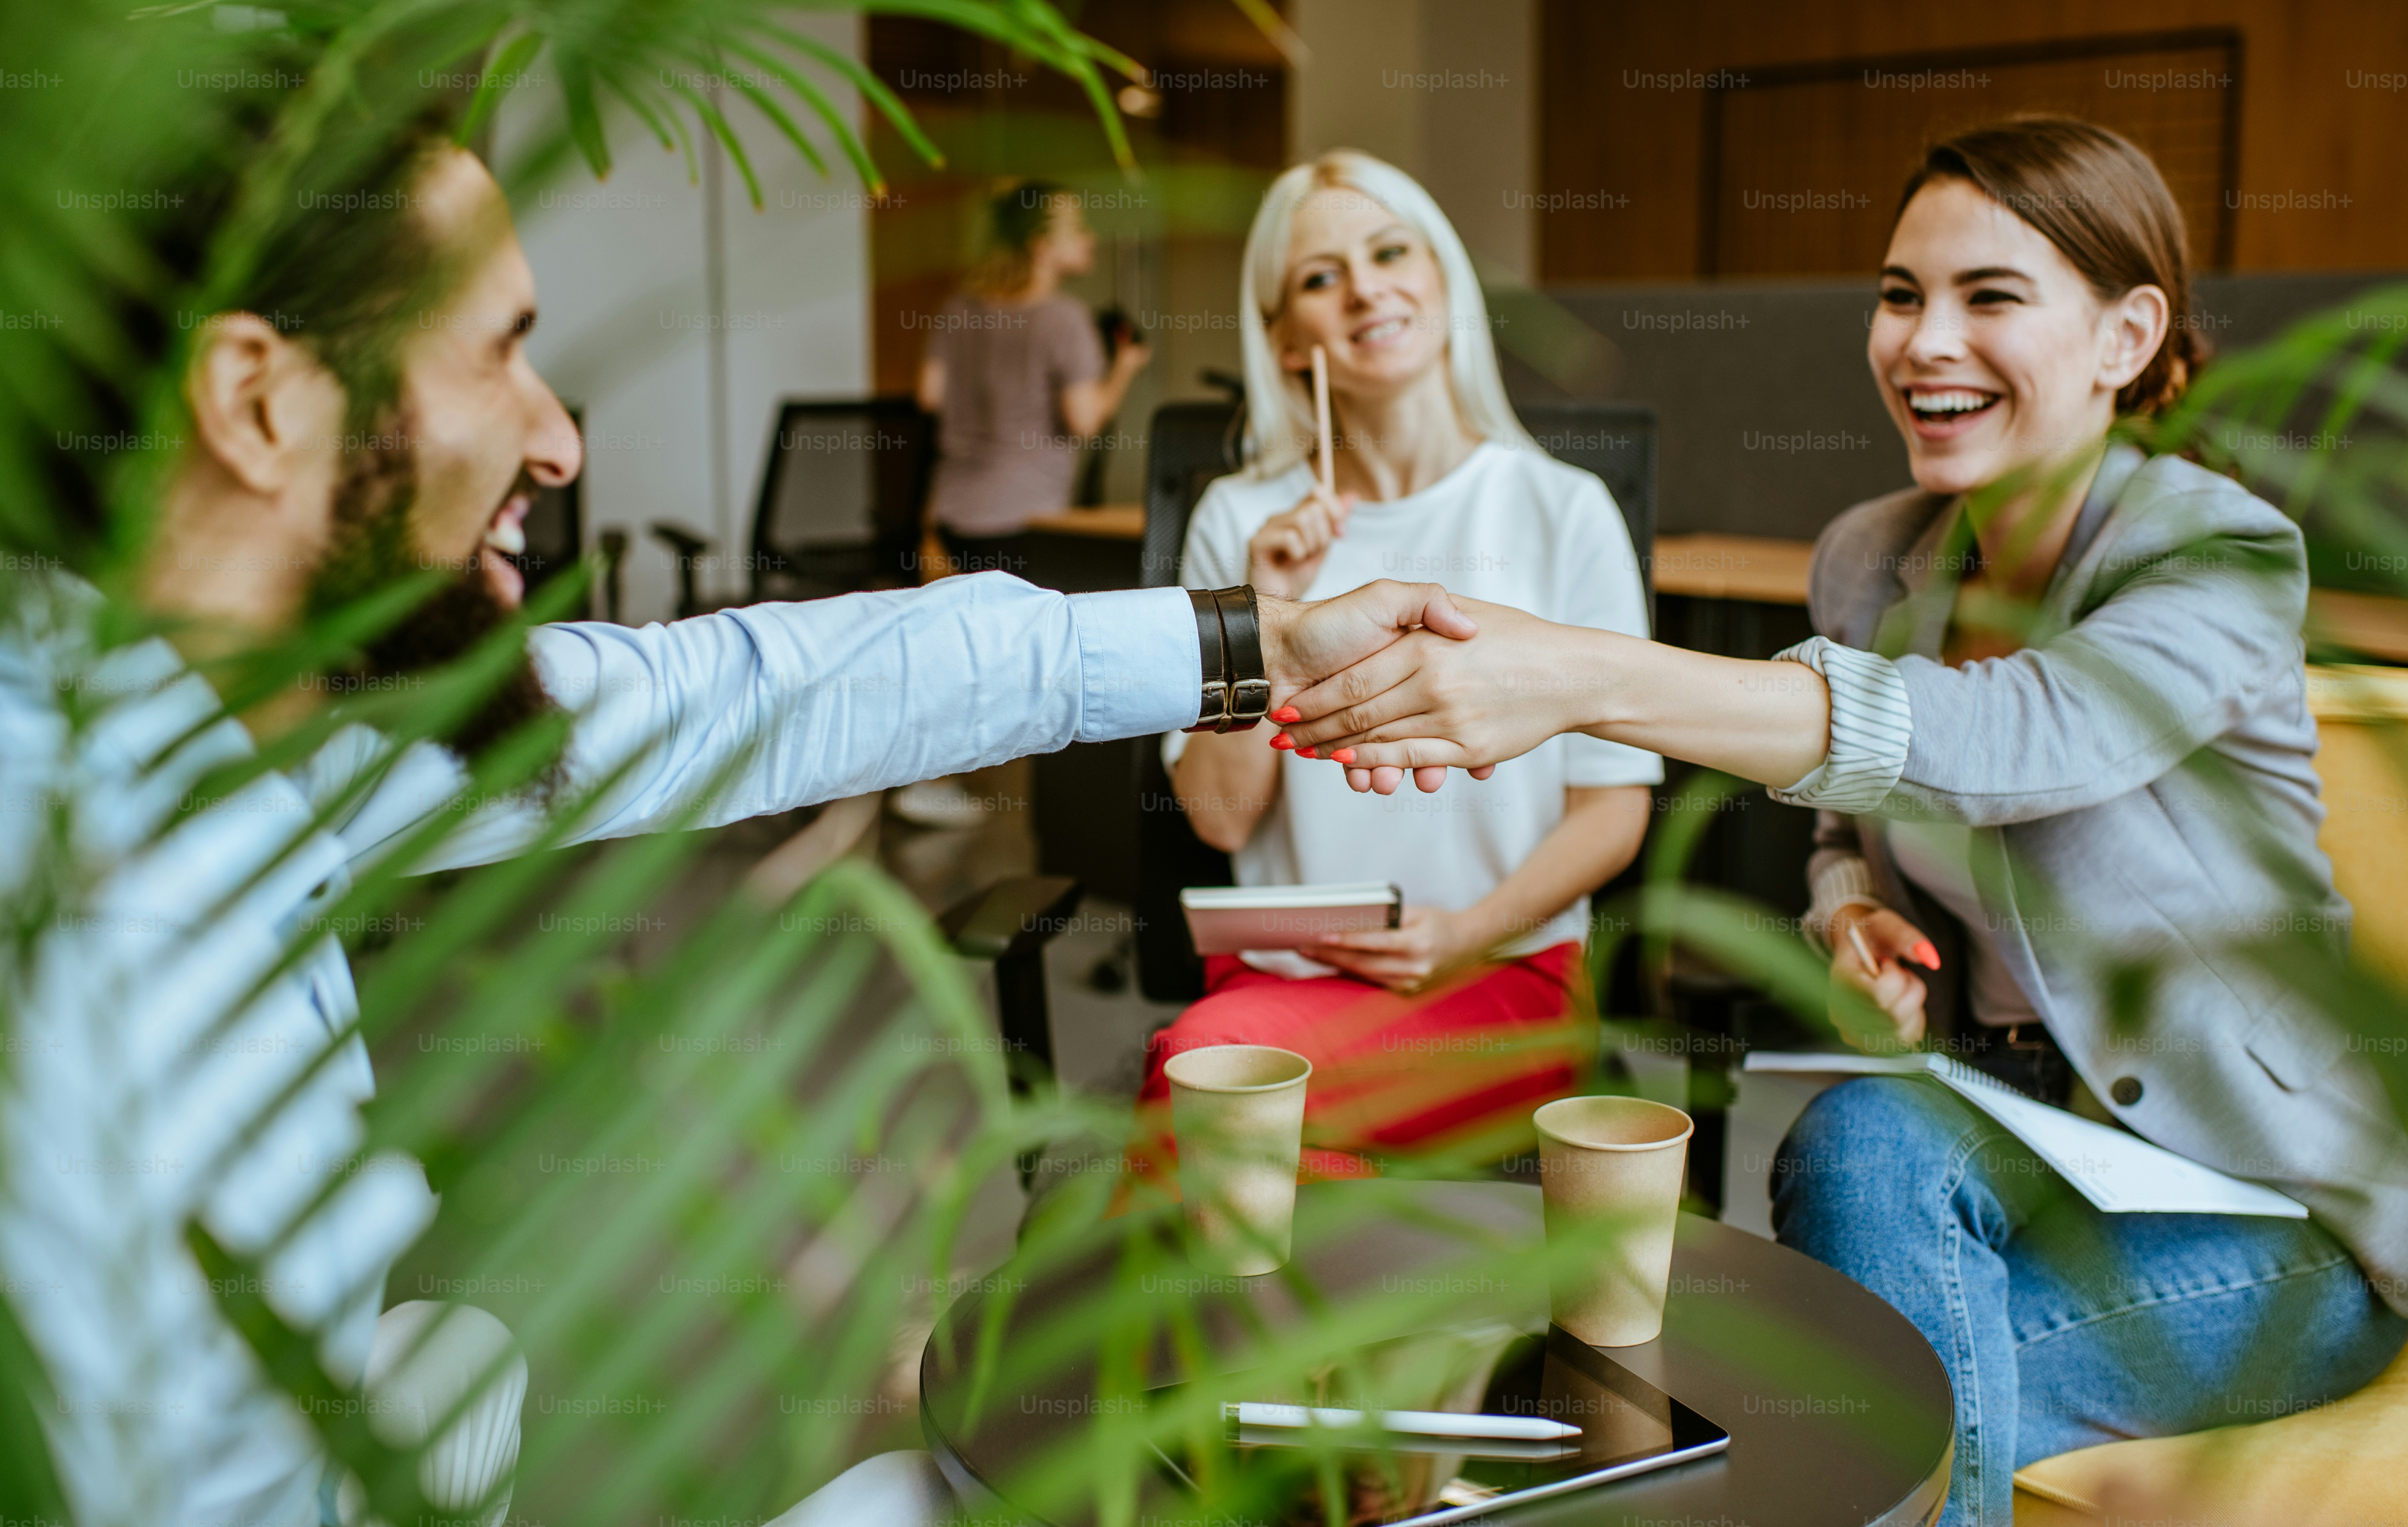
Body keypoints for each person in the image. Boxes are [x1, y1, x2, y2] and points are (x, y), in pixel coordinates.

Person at [0, 125, 1473, 1527]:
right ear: (264, 406)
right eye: (502, 351)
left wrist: (1249, 646)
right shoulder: (113, 967)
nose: (560, 440)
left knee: (490, 1365)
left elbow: (734, 689)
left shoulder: (225, 714)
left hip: (342, 1438)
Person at [1270, 118, 2408, 1525]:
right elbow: (1845, 819)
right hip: (2004, 1142)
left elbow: (2005, 743)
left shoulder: (2215, 550)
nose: (1923, 340)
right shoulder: (1871, 554)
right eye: (1897, 293)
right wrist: (1846, 912)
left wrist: (1573, 675)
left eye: (1988, 297)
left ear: (2125, 335)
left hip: (2267, 1214)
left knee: (1798, 1355)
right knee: (1810, 1282)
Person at [1143, 150, 1656, 1166]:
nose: (1365, 287)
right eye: (1319, 277)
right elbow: (1217, 814)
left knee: (1216, 1094)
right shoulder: (1239, 519)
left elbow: (1614, 808)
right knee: (1247, 1112)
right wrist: (1253, 610)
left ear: (1442, 280)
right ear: (1286, 338)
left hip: (1498, 971)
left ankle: (1139, 1317)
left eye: (1389, 252)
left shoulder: (1561, 511)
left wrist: (1463, 931)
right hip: (1280, 979)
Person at [913, 179, 1152, 575]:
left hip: (951, 518)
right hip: (1024, 522)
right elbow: (1084, 421)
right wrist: (1124, 369)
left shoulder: (957, 309)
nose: (1090, 239)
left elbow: (929, 395)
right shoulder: (1065, 319)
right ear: (1041, 247)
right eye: (1077, 230)